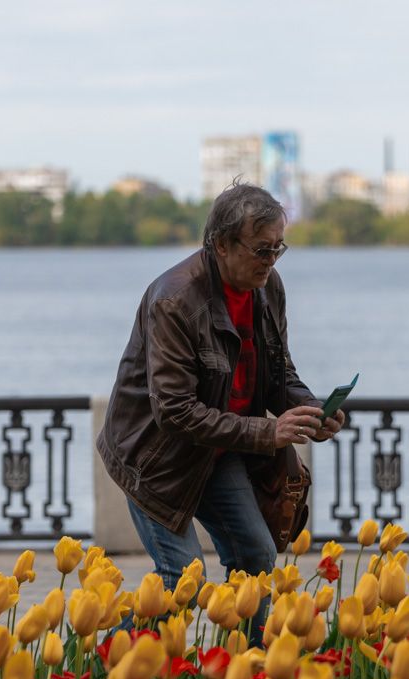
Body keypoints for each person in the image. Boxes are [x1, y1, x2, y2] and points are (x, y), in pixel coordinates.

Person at [97, 183, 344, 641]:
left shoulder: (267, 289)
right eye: (261, 249)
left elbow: (278, 372)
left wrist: (309, 407)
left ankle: (249, 673)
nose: (271, 261)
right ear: (222, 244)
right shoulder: (173, 299)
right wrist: (268, 434)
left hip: (219, 447)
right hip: (155, 458)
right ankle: (108, 659)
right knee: (182, 581)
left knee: (257, 559)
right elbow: (174, 411)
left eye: (278, 248)